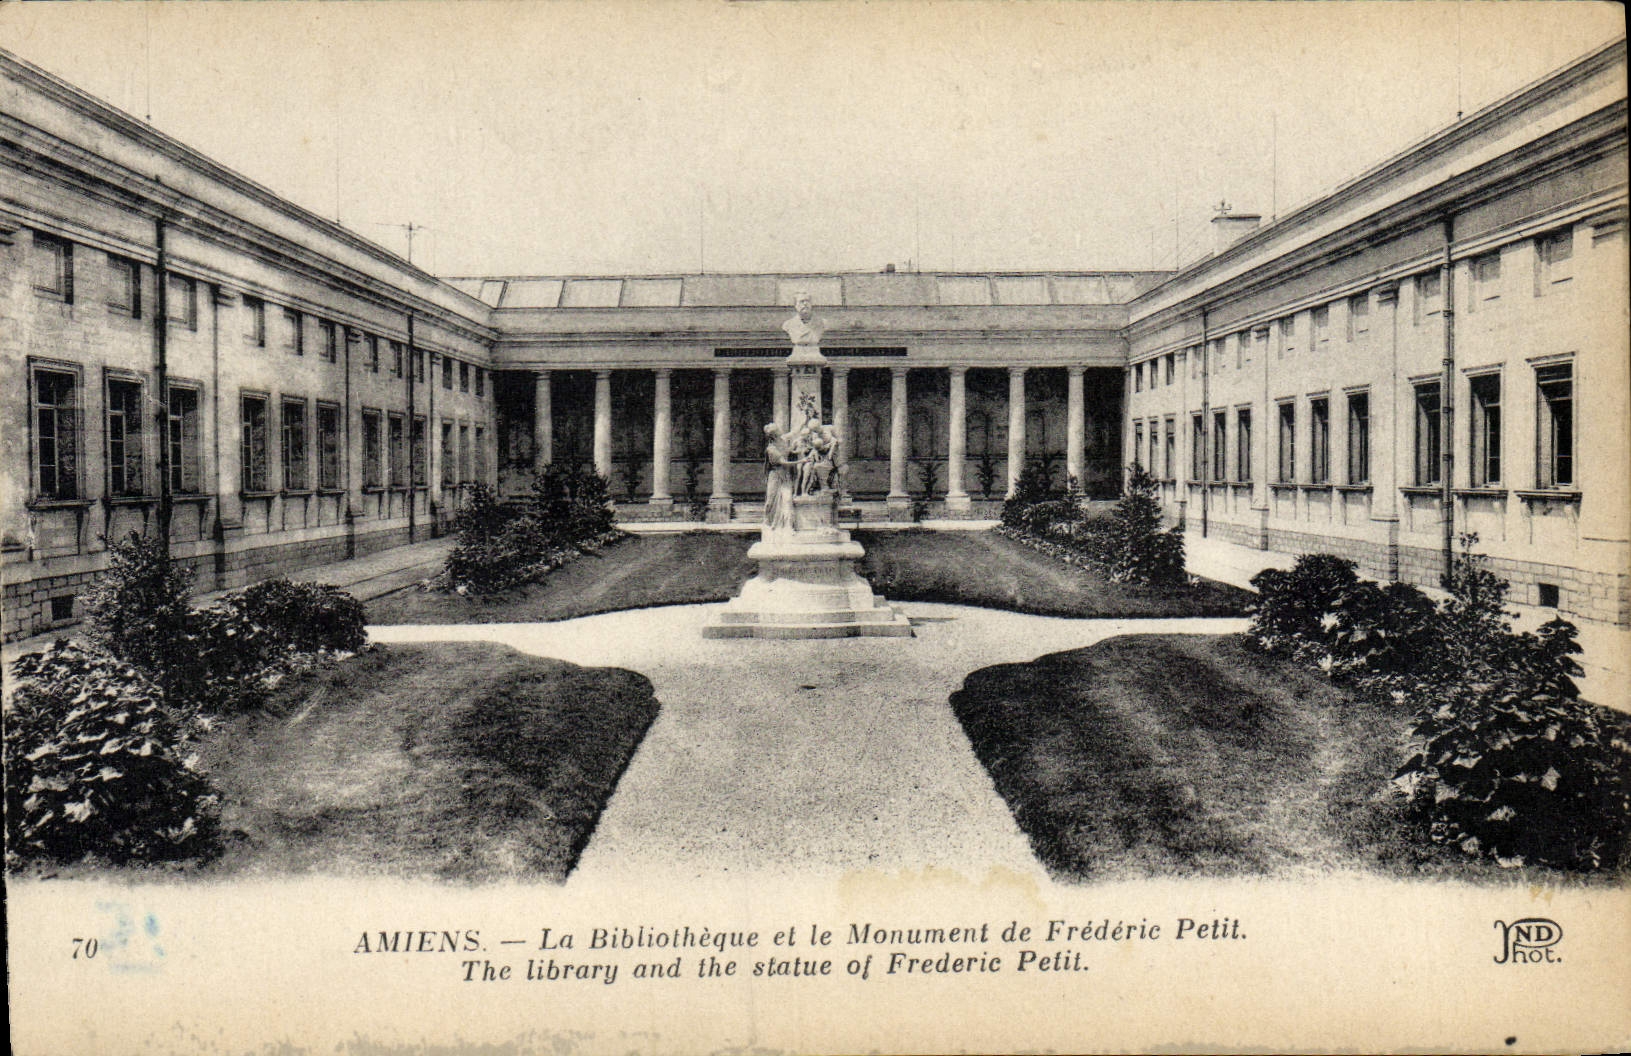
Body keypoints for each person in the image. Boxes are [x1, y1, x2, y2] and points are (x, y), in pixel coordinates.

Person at [762, 424, 797, 536]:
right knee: (770, 501)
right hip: (776, 475)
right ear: (774, 433)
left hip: (785, 474)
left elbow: (796, 431)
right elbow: (783, 462)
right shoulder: (771, 449)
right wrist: (803, 461)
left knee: (787, 500)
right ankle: (767, 521)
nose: (780, 429)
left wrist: (807, 417)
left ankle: (787, 525)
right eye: (777, 429)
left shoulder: (783, 439)